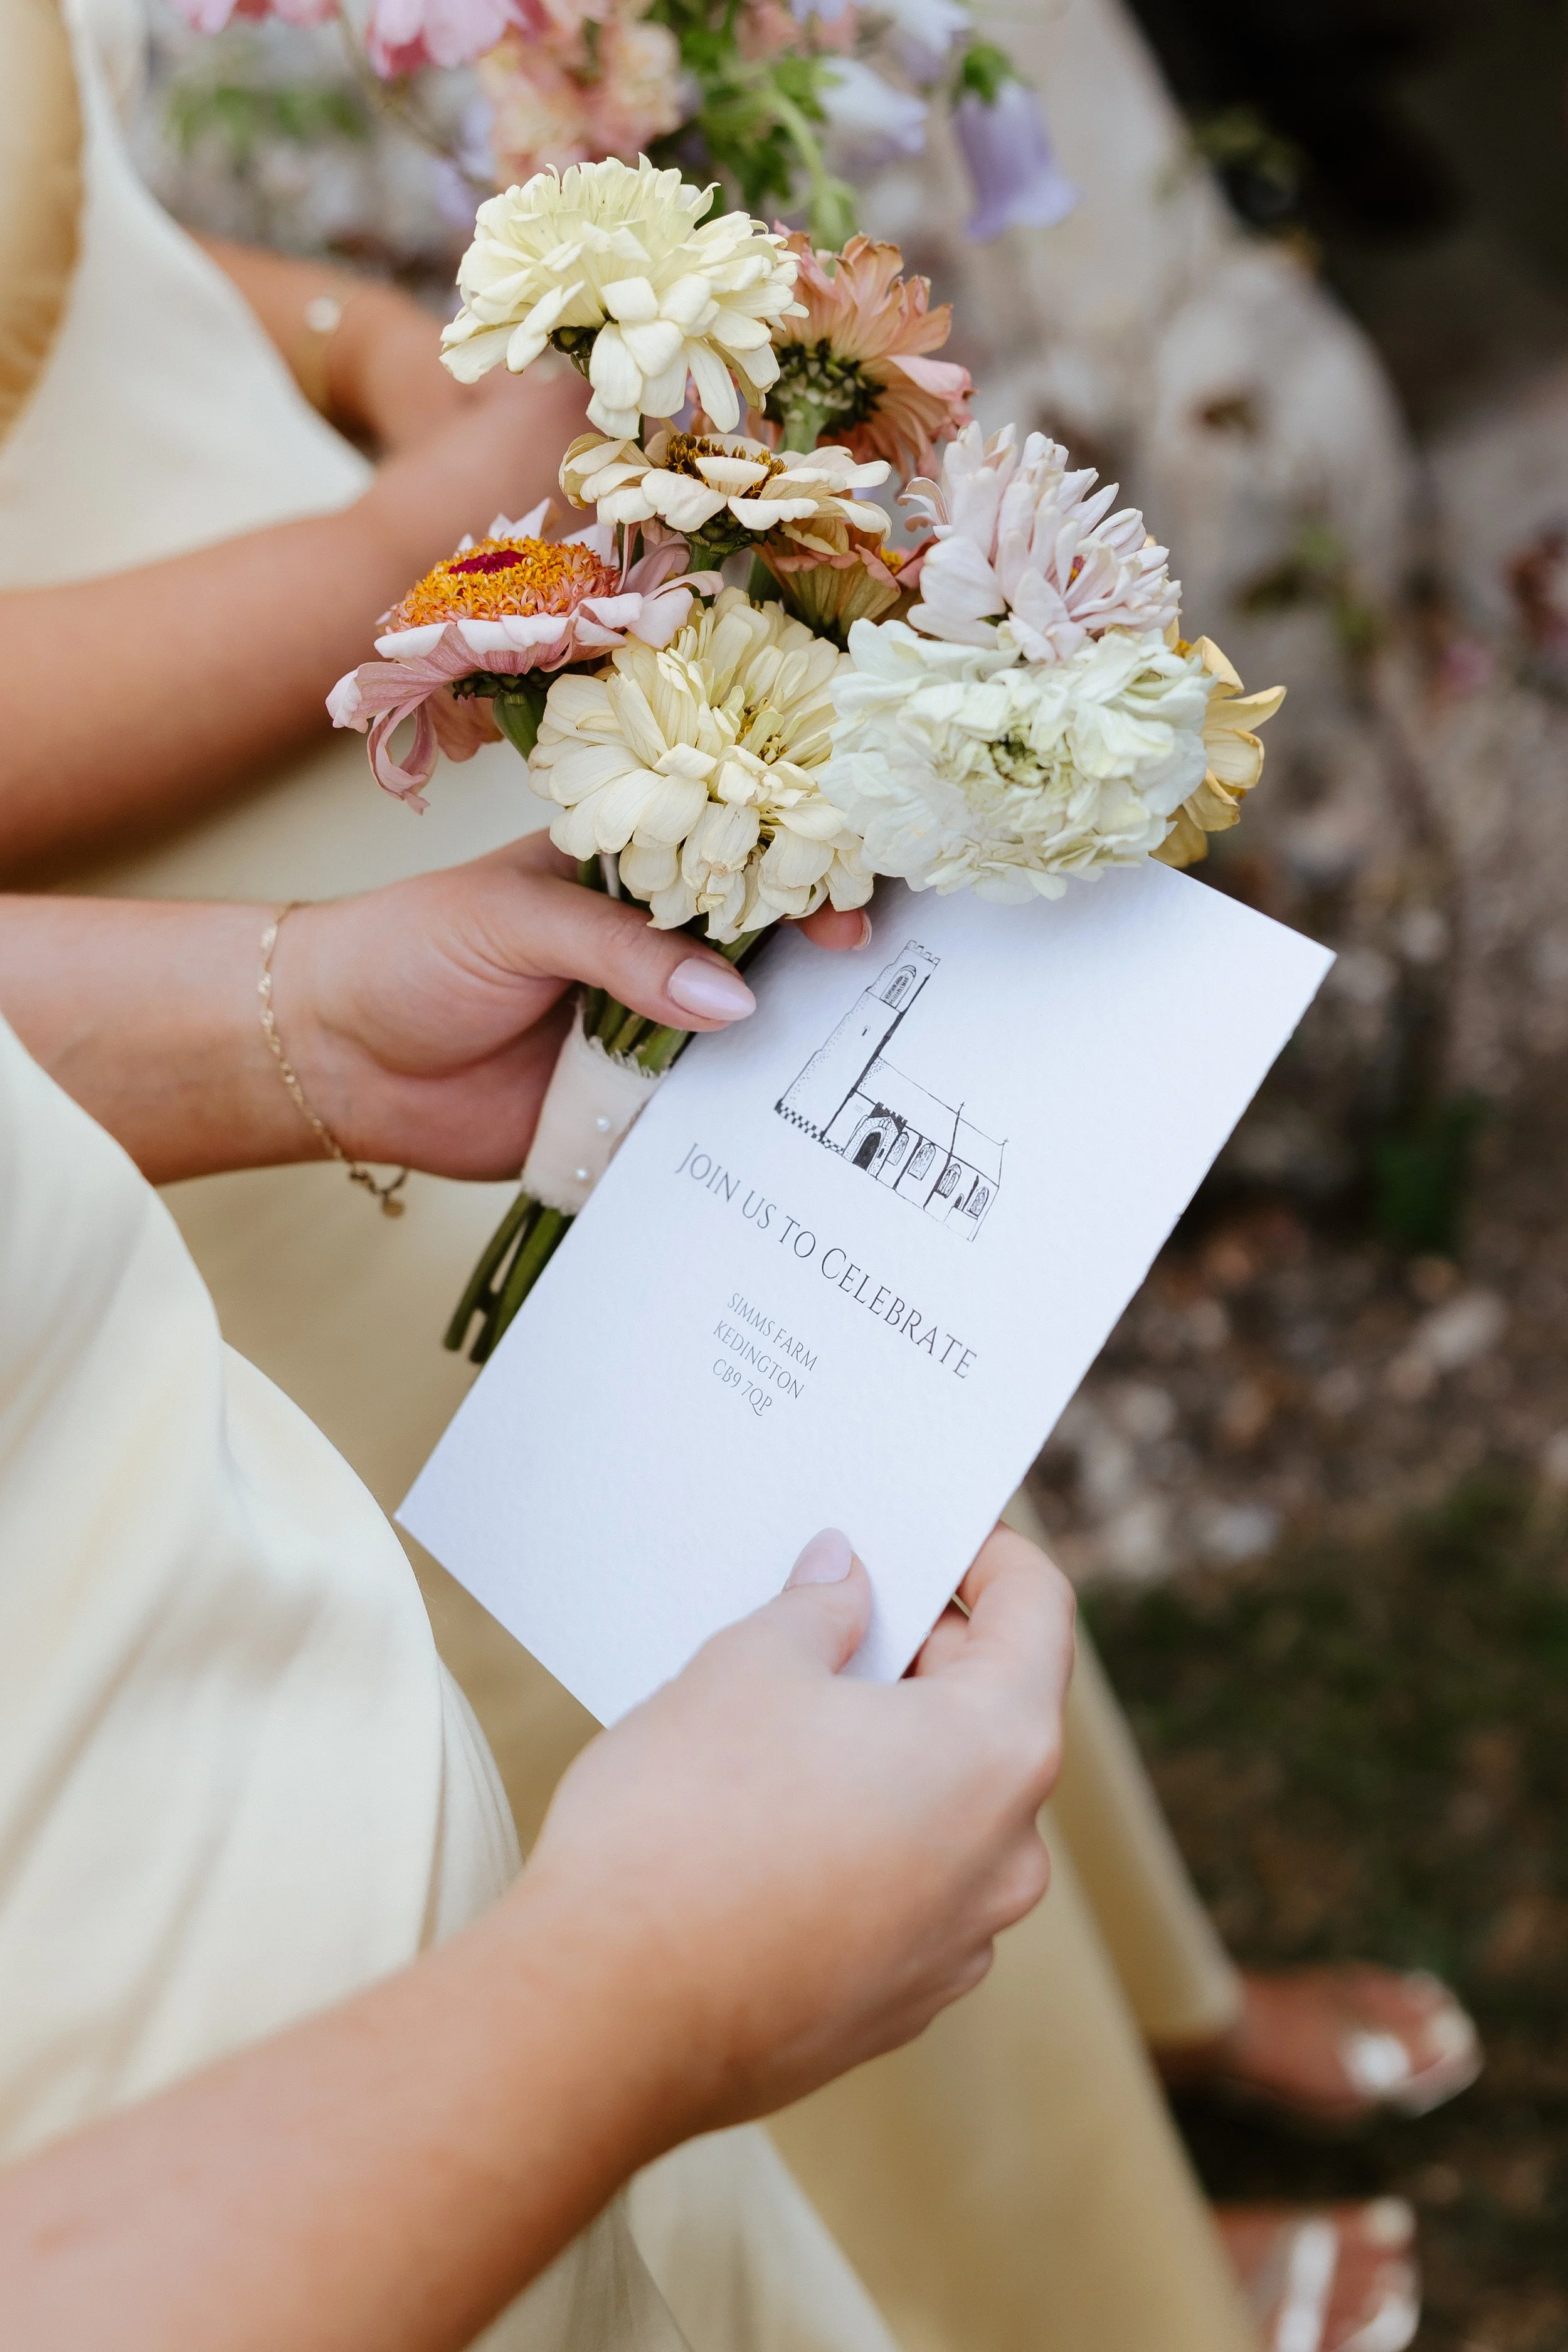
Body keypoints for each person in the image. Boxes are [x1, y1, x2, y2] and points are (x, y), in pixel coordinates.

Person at [0, 0, 1470, 2342]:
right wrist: (398, 553)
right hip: (203, 779)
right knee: (651, 1640)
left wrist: (365, 361)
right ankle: (1072, 2289)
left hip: (357, 807)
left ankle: (1134, 2074)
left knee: (862, 1433)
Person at [0, 846, 1074, 2349]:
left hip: (501, 2051)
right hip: (375, 2173)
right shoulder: (618, 1998)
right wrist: (642, 1990)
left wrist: (300, 1022)